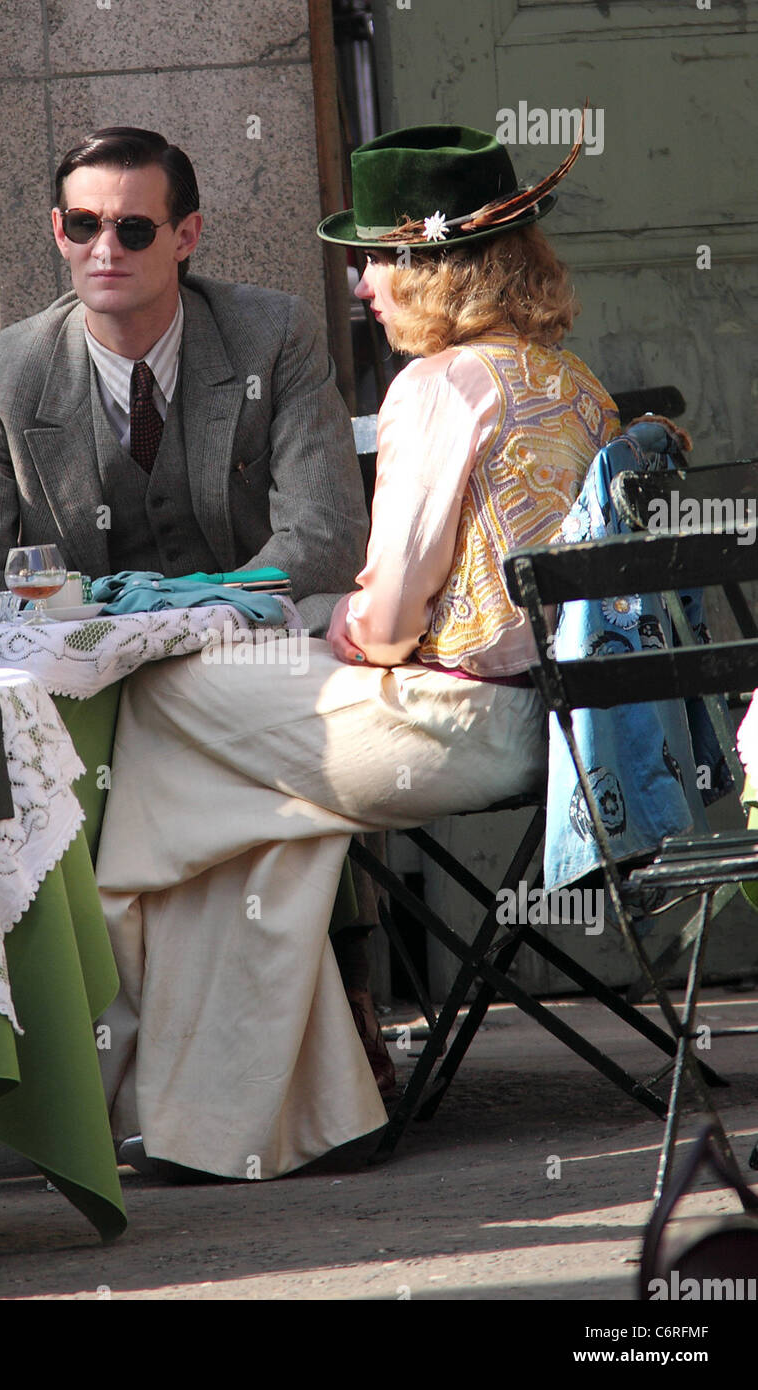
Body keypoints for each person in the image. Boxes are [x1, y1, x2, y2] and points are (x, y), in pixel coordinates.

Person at [91, 123, 621, 1182]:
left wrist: (342, 622)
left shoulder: (436, 387)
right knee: (256, 810)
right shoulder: (575, 383)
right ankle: (307, 1108)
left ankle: (143, 1053)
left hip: (451, 726)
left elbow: (382, 624)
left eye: (377, 257)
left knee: (159, 700)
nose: (362, 281)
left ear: (437, 267)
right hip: (557, 730)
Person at [0, 126, 368, 637]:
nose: (106, 249)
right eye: (84, 225)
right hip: (88, 670)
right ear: (59, 232)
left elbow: (326, 538)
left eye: (134, 229)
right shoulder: (3, 375)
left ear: (185, 236)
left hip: (256, 646)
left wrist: (191, 614)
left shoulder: (274, 336)